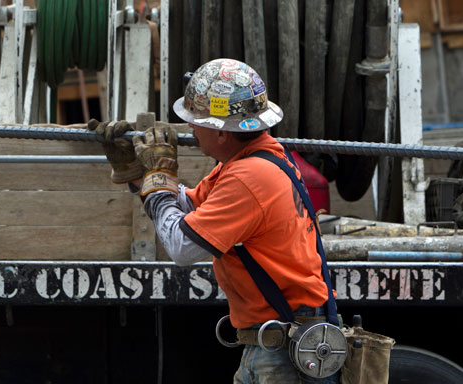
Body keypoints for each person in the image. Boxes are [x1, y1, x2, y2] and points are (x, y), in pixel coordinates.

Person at [88, 58, 339, 384]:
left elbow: (181, 245)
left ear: (221, 132)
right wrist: (139, 173)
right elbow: (189, 207)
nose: (190, 128)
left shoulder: (249, 177)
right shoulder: (253, 161)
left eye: (196, 120)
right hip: (274, 342)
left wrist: (159, 177)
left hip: (283, 347)